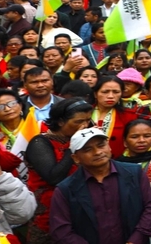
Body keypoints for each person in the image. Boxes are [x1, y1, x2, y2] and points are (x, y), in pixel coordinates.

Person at [48, 127, 151, 244]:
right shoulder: (66, 189)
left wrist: (136, 239)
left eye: (101, 145)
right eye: (88, 149)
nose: (97, 152)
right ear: (76, 158)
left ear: (109, 147)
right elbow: (61, 231)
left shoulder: (134, 173)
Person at [24, 98, 93, 244]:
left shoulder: (85, 141)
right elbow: (54, 177)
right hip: (50, 210)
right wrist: (73, 145)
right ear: (61, 121)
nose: (84, 126)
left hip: (81, 206)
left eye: (87, 121)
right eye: (78, 121)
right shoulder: (40, 142)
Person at [90, 77, 137, 158]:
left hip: (118, 162)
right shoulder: (84, 114)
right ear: (95, 94)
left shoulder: (129, 115)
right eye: (105, 92)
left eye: (116, 92)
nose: (111, 96)